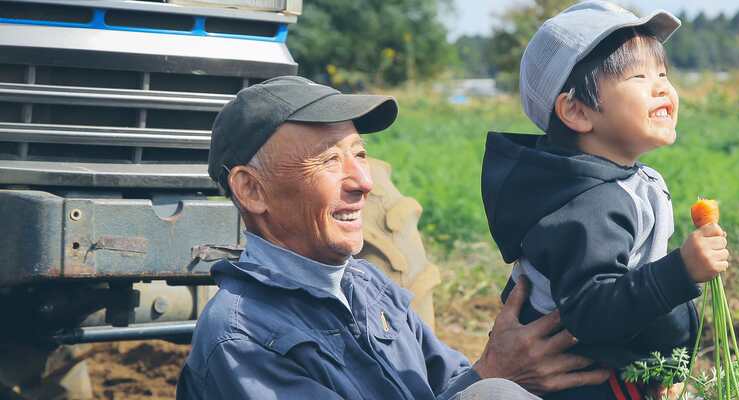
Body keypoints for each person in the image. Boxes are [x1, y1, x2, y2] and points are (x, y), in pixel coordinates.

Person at [177, 76, 611, 399]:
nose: (364, 181)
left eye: (360, 154)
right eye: (329, 161)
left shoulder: (368, 286)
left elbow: (448, 386)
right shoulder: (240, 339)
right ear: (251, 190)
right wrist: (493, 375)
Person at [480, 2, 731, 399]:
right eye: (638, 76)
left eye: (663, 73)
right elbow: (592, 314)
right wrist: (680, 271)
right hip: (582, 385)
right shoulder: (587, 204)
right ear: (577, 111)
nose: (662, 87)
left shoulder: (625, 181)